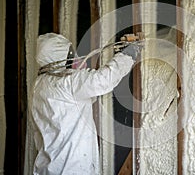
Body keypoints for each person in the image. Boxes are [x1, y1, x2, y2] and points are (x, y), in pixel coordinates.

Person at [29, 33, 142, 175]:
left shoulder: (39, 84)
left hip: (48, 167)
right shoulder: (68, 82)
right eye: (71, 54)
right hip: (71, 168)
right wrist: (128, 54)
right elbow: (103, 80)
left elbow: (78, 99)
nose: (76, 58)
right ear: (61, 58)